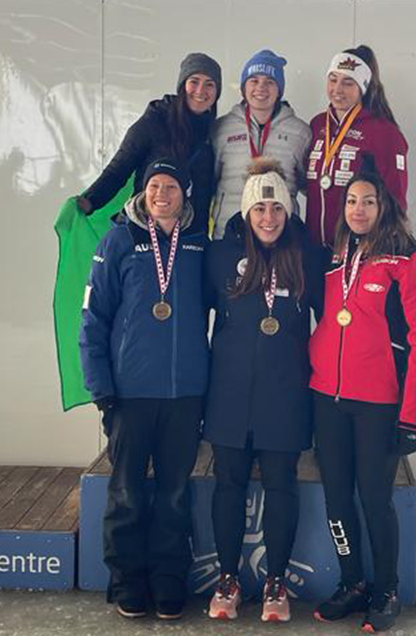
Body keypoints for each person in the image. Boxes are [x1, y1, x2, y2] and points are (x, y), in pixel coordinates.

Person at [308, 155, 416, 632]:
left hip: (380, 405)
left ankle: (386, 589)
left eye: (368, 200)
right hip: (328, 398)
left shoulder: (410, 258)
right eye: (351, 200)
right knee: (337, 498)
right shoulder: (335, 256)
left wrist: (414, 415)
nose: (358, 208)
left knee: (375, 499)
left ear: (386, 206)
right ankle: (352, 581)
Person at [79, 158, 210, 620]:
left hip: (184, 395)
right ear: (143, 192)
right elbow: (93, 321)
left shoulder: (198, 243)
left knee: (175, 493)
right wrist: (101, 389)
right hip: (129, 395)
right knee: (127, 493)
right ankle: (127, 581)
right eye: (154, 185)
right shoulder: (118, 241)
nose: (162, 194)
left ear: (184, 194)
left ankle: (169, 580)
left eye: (171, 186)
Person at [202, 158, 325, 623]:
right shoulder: (219, 257)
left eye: (276, 209)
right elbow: (198, 321)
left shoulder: (309, 257)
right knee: (228, 486)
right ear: (248, 213)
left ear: (288, 212)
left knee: (281, 485)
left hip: (286, 393)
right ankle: (228, 578)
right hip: (229, 394)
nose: (269, 219)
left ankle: (275, 580)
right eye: (260, 210)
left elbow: (332, 321)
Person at [78, 53, 222, 234]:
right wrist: (89, 201)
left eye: (210, 84)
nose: (201, 90)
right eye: (194, 81)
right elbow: (119, 168)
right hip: (146, 230)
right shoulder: (156, 119)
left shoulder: (214, 131)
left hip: (189, 237)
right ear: (182, 85)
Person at [304, 45, 409, 248]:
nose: (337, 89)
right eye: (333, 79)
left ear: (363, 87)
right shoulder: (318, 125)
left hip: (359, 250)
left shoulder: (384, 133)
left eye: (348, 83)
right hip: (314, 248)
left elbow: (396, 199)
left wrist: (388, 246)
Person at [211, 50, 312, 238]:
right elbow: (210, 180)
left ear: (279, 90)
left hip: (280, 235)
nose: (261, 88)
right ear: (243, 87)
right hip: (230, 234)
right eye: (254, 80)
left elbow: (308, 186)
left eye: (270, 82)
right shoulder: (222, 128)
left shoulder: (301, 133)